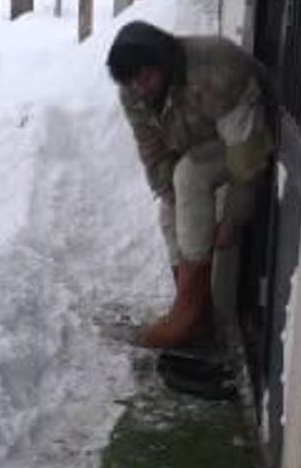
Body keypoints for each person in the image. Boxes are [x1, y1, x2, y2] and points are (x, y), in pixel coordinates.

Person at [107, 20, 275, 349]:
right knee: (170, 214)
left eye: (146, 77)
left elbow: (246, 157)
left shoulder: (216, 67)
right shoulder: (133, 92)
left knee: (191, 178)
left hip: (251, 137)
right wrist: (172, 200)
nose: (140, 88)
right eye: (132, 82)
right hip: (203, 142)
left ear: (163, 60)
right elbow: (153, 151)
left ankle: (197, 315)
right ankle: (194, 315)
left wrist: (233, 219)